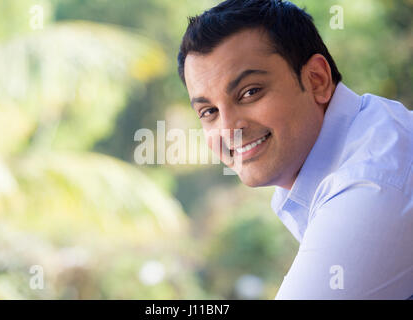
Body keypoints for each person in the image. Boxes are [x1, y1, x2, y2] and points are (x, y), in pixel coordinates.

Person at [177, 0, 413, 299]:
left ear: (317, 79)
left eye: (250, 92)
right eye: (209, 111)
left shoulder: (372, 184)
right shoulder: (362, 141)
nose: (228, 129)